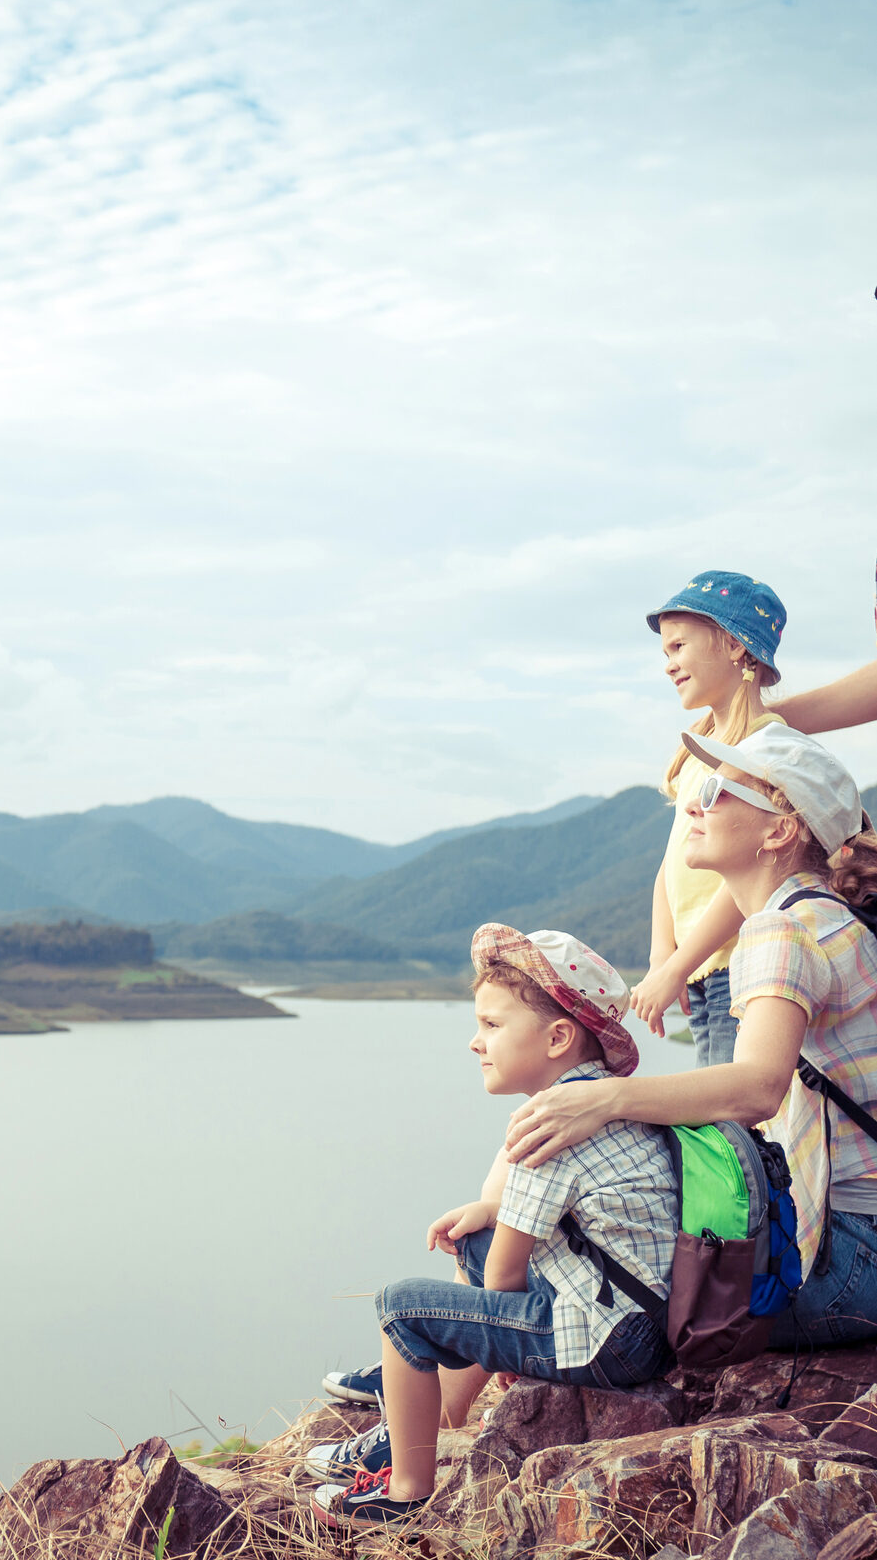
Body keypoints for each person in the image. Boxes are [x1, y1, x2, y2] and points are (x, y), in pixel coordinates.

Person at [505, 724, 877, 1350]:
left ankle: (423, 1400)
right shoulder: (827, 916)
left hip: (851, 1257)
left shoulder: (781, 931)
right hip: (860, 1240)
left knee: (558, 1262)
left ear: (779, 830)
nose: (697, 803)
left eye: (723, 790)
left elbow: (758, 1088)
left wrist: (604, 1100)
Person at [309, 926, 677, 1527]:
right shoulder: (614, 1101)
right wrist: (489, 1217)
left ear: (558, 1037)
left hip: (607, 1338)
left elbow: (505, 1277)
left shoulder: (548, 1124)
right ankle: (424, 1422)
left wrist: (482, 1338)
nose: (475, 1043)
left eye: (492, 1026)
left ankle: (403, 1492)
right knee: (478, 1239)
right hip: (646, 1320)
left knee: (402, 1308)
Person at [628, 571, 788, 1066]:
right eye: (666, 653)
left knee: (730, 1120)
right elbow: (671, 865)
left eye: (678, 647)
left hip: (736, 965)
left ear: (736, 646)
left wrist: (678, 965)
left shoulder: (764, 746)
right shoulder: (698, 751)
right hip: (699, 969)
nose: (669, 664)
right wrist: (663, 957)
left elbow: (751, 878)